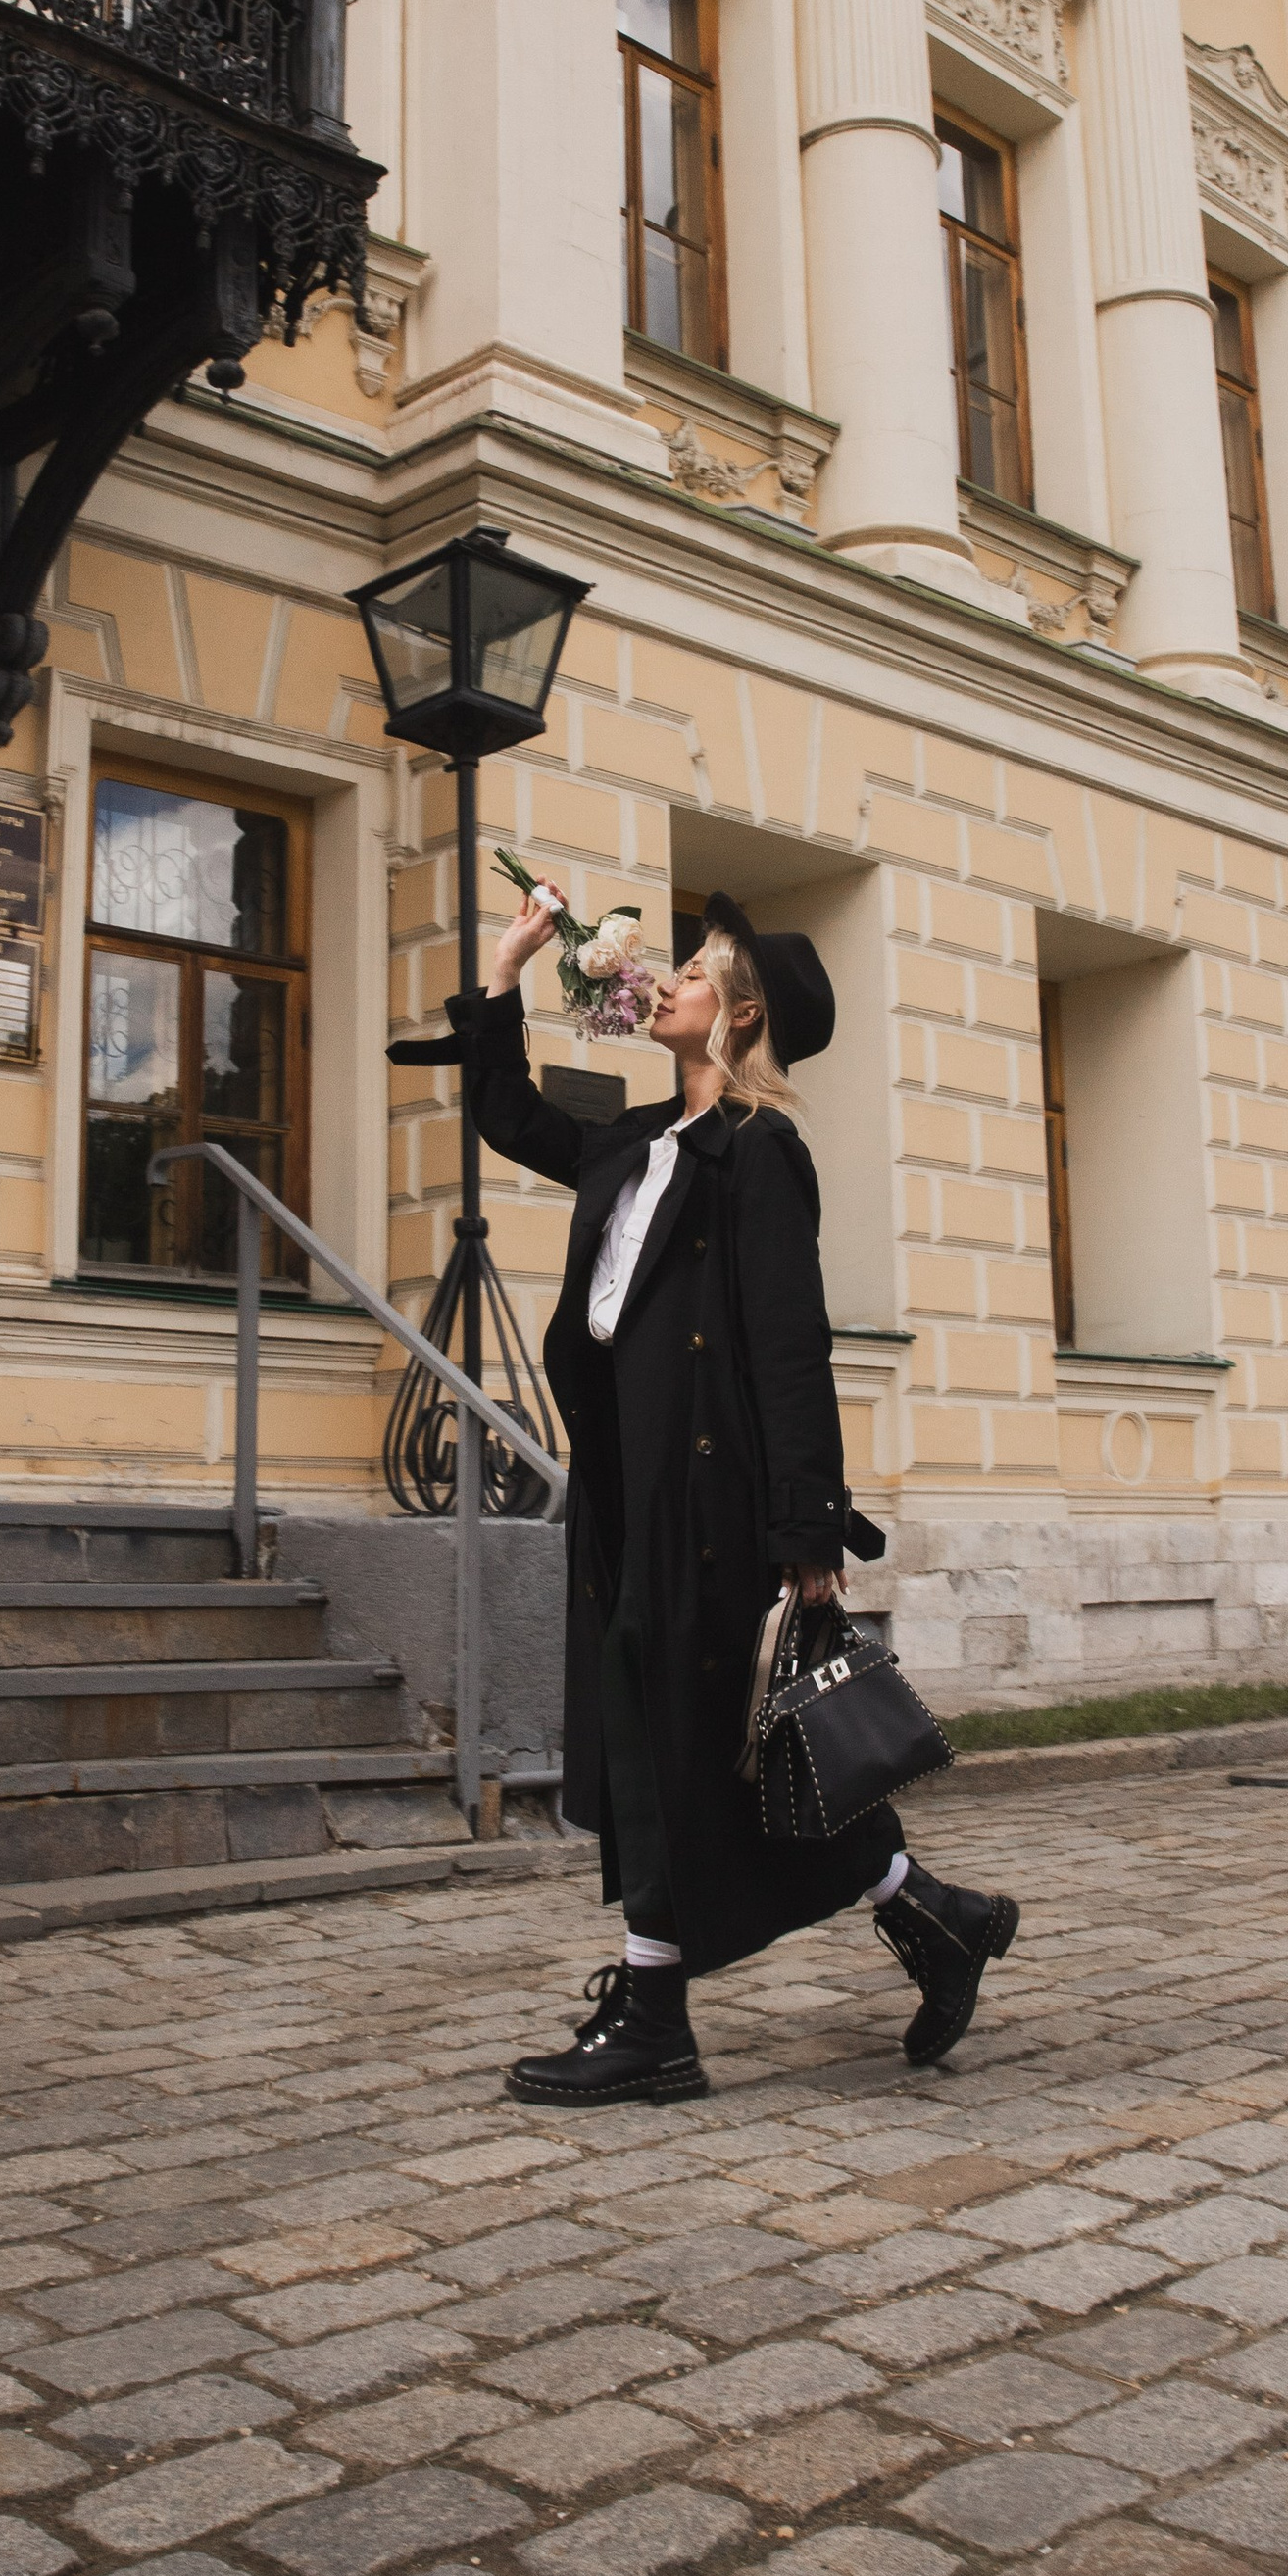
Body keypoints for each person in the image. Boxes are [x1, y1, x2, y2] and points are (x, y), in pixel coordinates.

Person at [443, 882, 1019, 2105]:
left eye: (695, 974)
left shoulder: (760, 1154)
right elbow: (504, 1112)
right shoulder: (640, 1142)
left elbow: (787, 1340)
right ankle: (935, 1917)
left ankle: (655, 2018)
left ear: (739, 1017)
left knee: (672, 1744)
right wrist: (508, 969)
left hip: (707, 1495)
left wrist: (808, 1526)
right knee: (700, 1748)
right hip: (624, 1481)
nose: (667, 984)